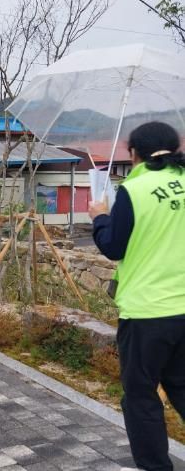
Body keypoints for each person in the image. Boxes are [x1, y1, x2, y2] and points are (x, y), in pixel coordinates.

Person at [89, 121, 185, 471]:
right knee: (181, 386)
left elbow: (113, 246)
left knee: (141, 395)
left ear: (133, 153)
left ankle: (155, 466)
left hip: (147, 311)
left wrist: (100, 218)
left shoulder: (135, 188)